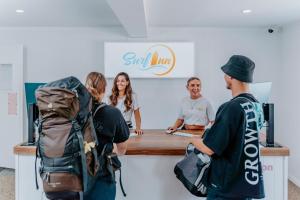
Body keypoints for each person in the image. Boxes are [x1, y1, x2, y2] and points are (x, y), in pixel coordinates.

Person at [190, 55, 265, 200]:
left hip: (225, 187)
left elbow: (209, 148)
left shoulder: (231, 107)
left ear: (230, 76)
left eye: (225, 74)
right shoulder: (256, 106)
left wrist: (193, 140)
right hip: (246, 185)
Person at [84, 72, 130, 200]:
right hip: (102, 179)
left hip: (74, 179)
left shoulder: (73, 112)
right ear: (104, 90)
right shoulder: (113, 113)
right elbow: (122, 150)